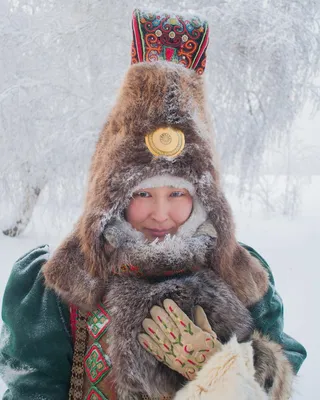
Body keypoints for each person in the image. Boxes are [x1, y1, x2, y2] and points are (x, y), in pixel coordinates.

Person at [0, 9, 306, 400]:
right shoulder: (60, 283)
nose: (161, 214)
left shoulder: (242, 277)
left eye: (177, 194)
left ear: (204, 200)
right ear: (110, 198)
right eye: (143, 193)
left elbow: (282, 384)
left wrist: (222, 370)